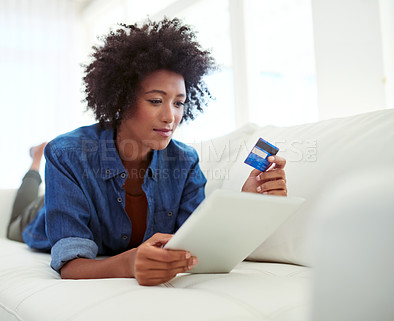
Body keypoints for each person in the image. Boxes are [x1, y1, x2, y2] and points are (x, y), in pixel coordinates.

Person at [7, 18, 287, 286]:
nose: (170, 117)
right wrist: (129, 264)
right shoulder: (67, 154)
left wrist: (247, 202)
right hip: (36, 219)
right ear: (121, 99)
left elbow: (195, 244)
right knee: (19, 215)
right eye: (155, 100)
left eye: (179, 103)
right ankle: (34, 163)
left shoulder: (186, 162)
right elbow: (71, 267)